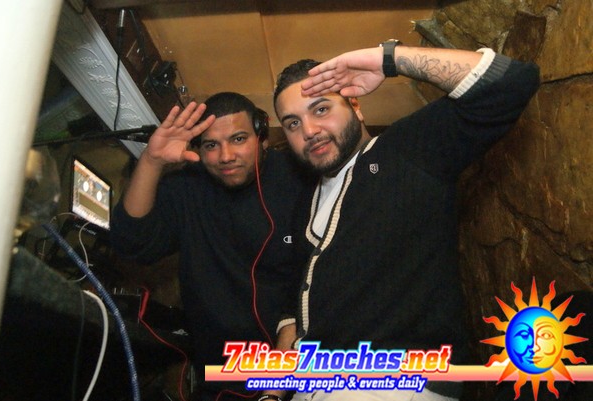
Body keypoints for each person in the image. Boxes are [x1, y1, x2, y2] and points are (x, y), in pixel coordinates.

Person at [272, 42, 540, 401]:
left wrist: (389, 58)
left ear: (355, 105)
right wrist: (273, 387)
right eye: (293, 123)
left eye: (321, 109)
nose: (309, 130)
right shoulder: (308, 198)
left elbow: (511, 82)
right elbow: (296, 295)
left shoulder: (406, 152)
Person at [110, 92, 314, 401]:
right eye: (211, 145)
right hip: (222, 372)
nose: (225, 156)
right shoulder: (187, 187)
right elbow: (131, 243)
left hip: (301, 367)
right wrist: (152, 161)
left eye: (238, 139)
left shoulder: (300, 177)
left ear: (261, 135)